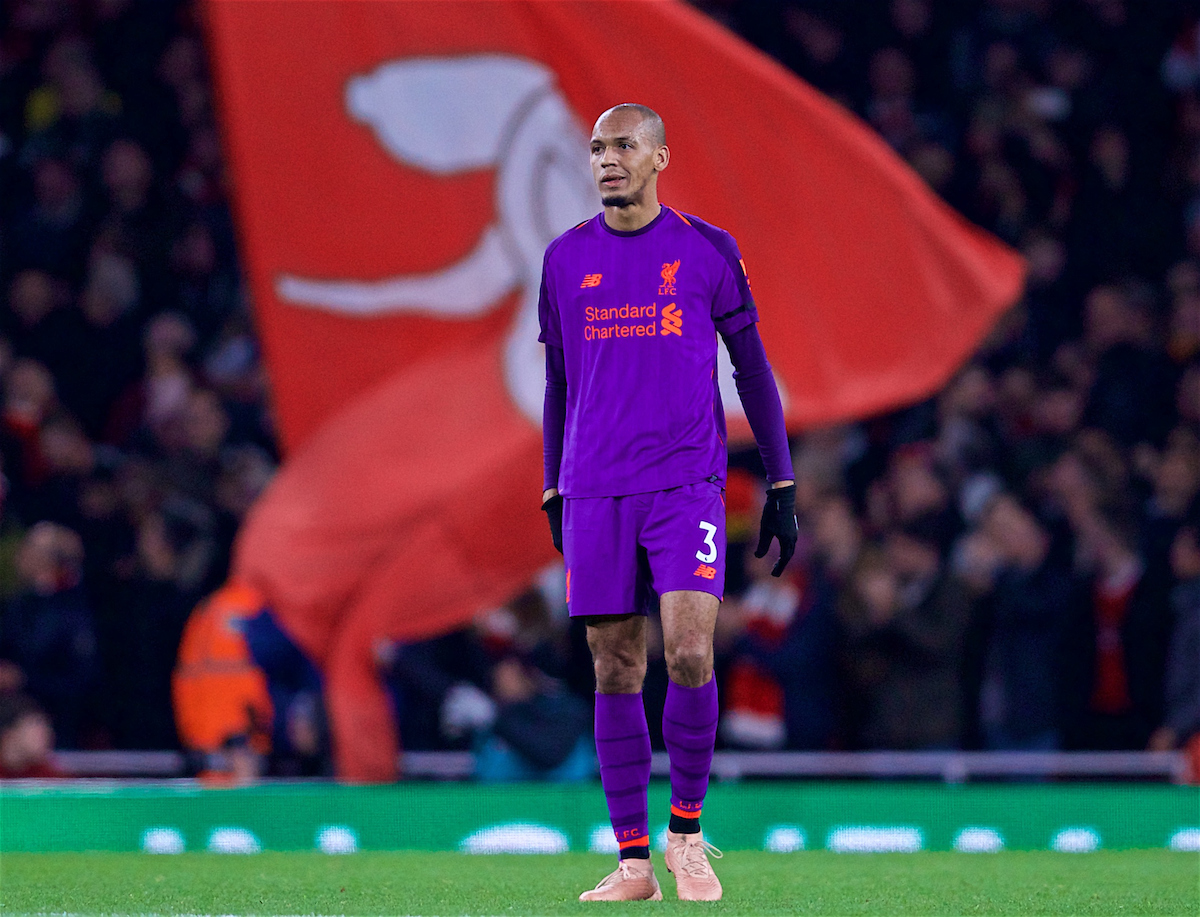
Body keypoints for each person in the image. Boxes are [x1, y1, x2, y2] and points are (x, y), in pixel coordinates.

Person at [538, 104, 796, 902]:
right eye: (596, 148)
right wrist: (552, 481)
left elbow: (751, 370)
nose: (606, 159)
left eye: (622, 146)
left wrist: (780, 480)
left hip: (687, 485)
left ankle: (687, 834)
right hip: (594, 486)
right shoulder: (563, 259)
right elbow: (557, 383)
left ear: (659, 157)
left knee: (688, 650)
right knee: (615, 666)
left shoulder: (709, 250)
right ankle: (634, 862)